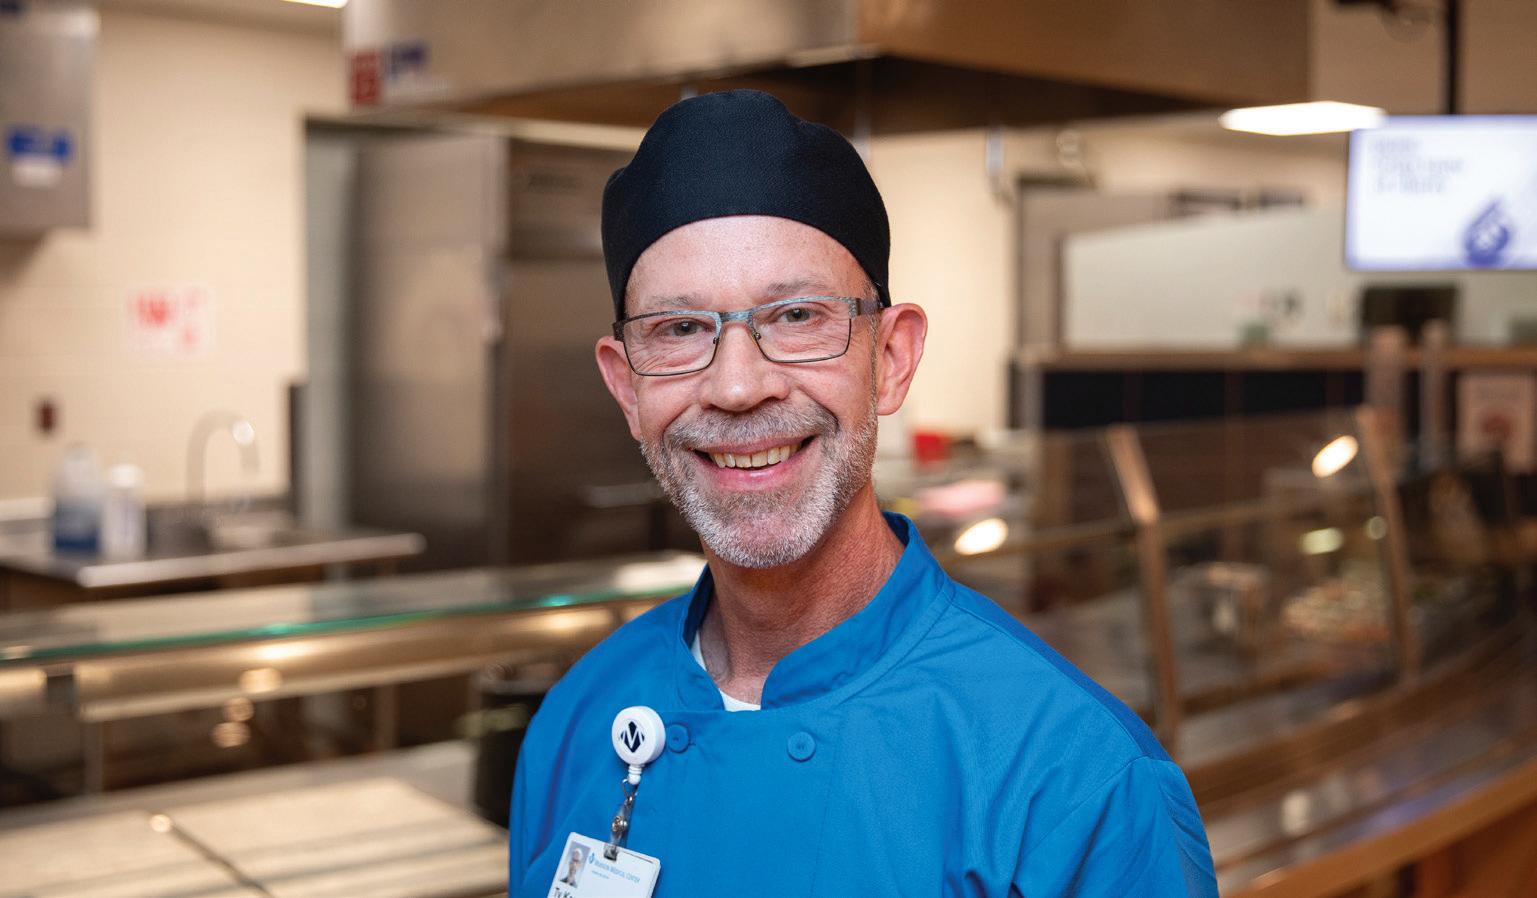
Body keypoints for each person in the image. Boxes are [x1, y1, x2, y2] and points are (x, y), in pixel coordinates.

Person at [508, 89, 1217, 897]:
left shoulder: (1074, 779)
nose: (737, 386)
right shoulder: (575, 720)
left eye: (796, 316)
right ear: (625, 388)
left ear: (891, 359)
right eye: (678, 330)